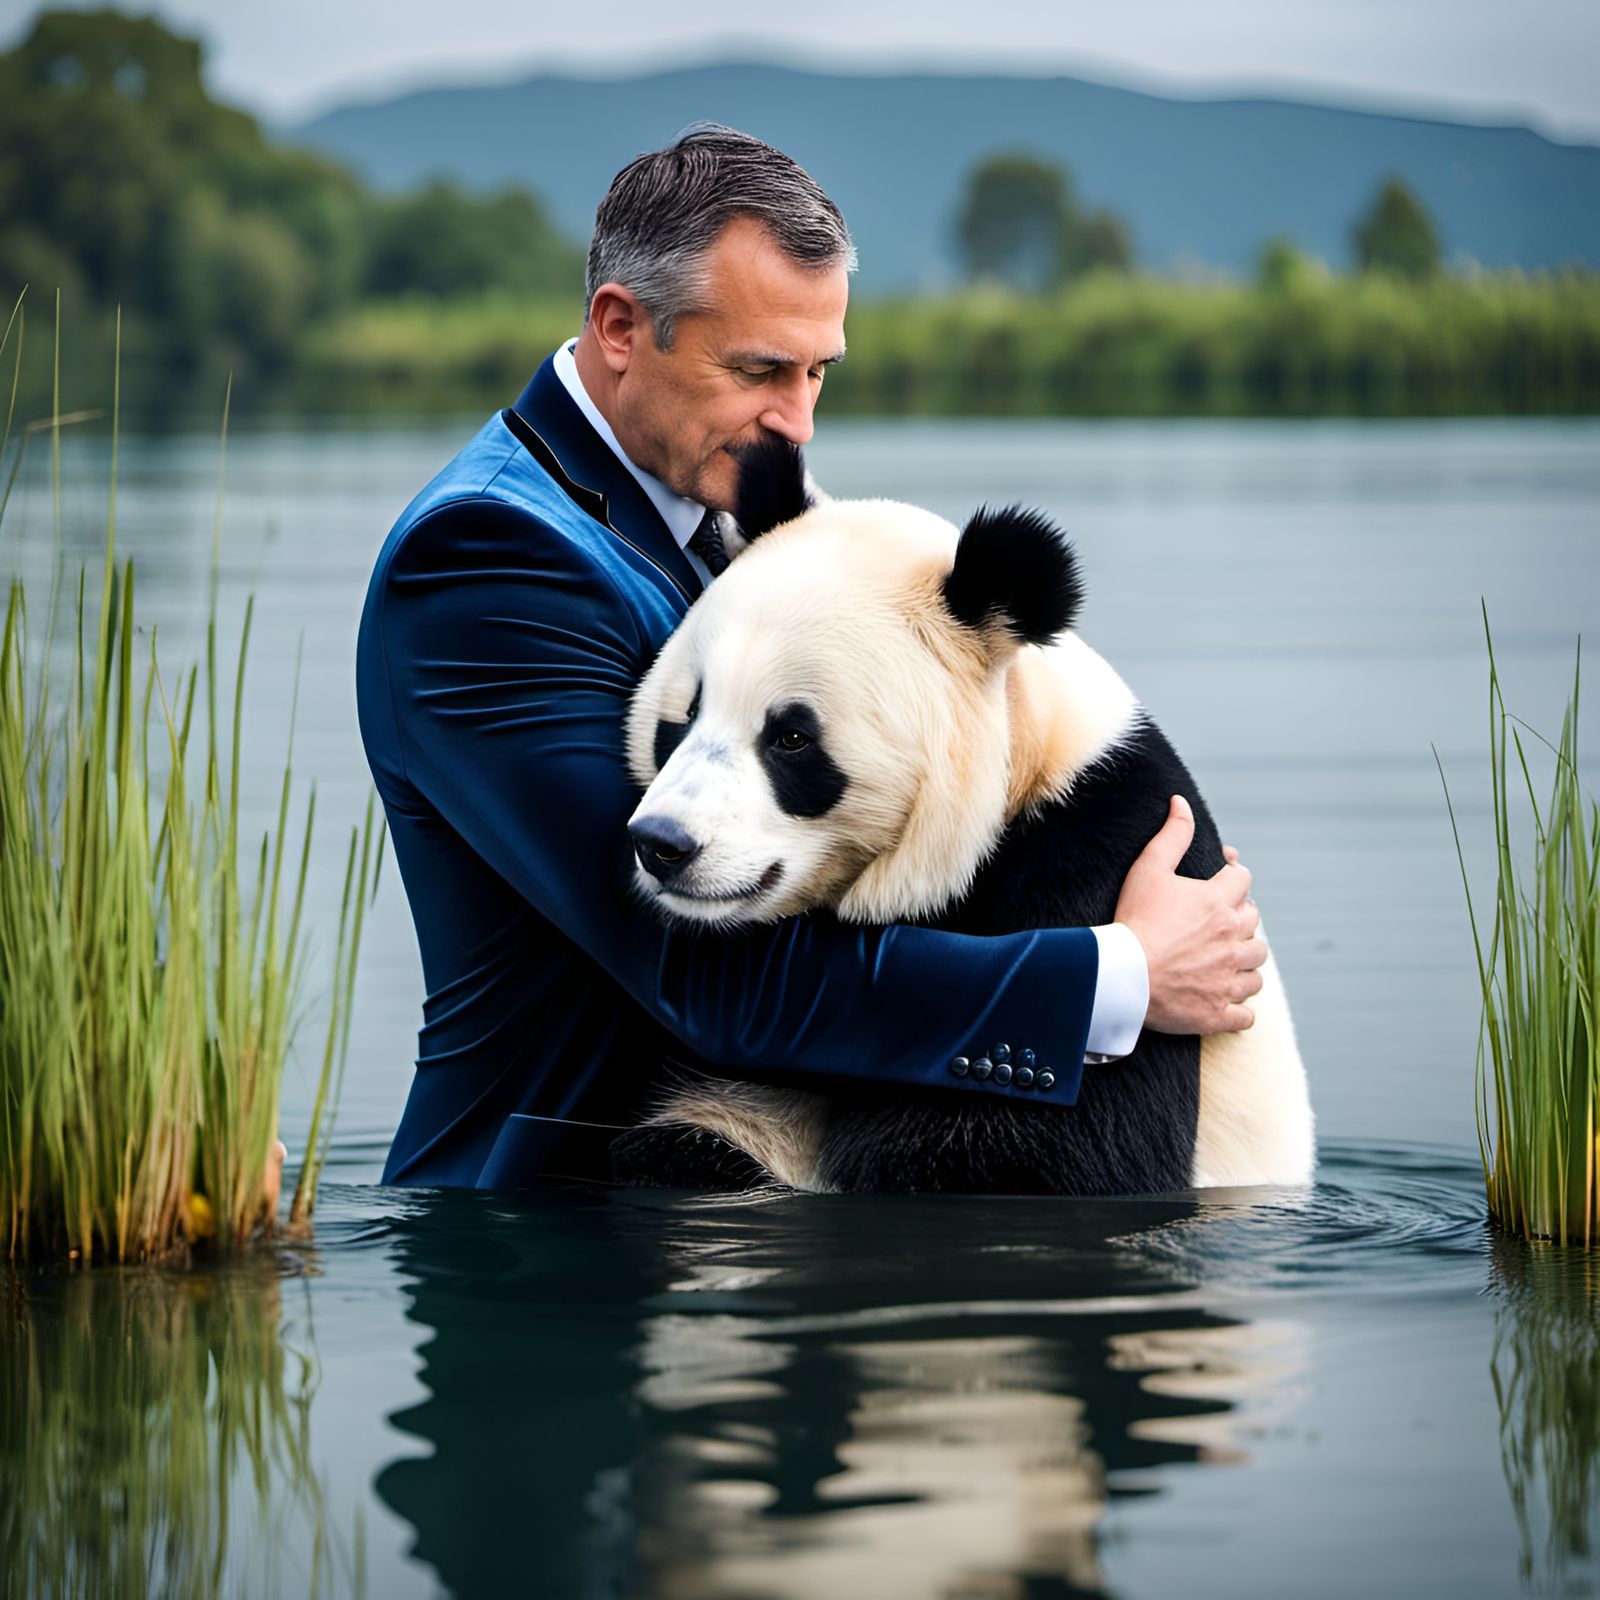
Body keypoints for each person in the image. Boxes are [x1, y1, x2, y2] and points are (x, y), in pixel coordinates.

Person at [355, 124, 1266, 1190]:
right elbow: (708, 978)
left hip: (729, 1219)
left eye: (817, 371)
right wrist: (1125, 974)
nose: (794, 421)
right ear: (620, 326)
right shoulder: (486, 561)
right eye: (757, 370)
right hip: (552, 1239)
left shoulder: (738, 513)